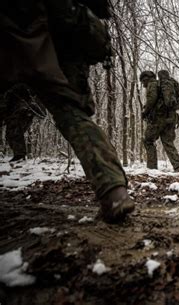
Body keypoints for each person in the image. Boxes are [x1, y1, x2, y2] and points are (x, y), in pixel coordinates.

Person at [0, 0, 134, 223]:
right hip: (62, 34)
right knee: (71, 113)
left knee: (70, 112)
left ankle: (114, 193)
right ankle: (114, 192)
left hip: (40, 30)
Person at [141, 70, 179, 173]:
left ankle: (152, 168)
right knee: (168, 142)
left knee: (148, 140)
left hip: (157, 119)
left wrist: (145, 111)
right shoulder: (164, 85)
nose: (143, 84)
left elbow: (152, 99)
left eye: (143, 81)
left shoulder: (152, 84)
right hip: (170, 118)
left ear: (146, 79)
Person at [0, 84, 44, 162]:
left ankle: (20, 156)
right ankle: (19, 155)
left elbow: (40, 110)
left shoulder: (22, 86)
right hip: (12, 111)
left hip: (22, 111)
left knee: (14, 131)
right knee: (12, 133)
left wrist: (29, 109)